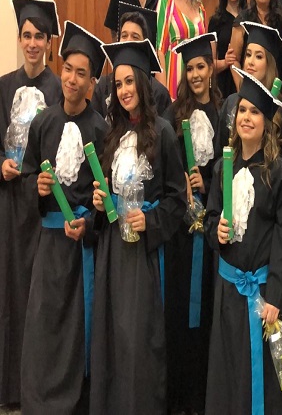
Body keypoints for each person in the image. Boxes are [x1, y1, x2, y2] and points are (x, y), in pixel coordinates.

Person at [90, 39, 186, 414]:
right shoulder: (111, 135)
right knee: (112, 334)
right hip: (113, 250)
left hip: (145, 256)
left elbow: (178, 200)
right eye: (118, 84)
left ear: (143, 85)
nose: (124, 90)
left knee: (139, 339)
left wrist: (150, 219)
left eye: (130, 82)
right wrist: (100, 206)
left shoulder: (162, 132)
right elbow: (104, 195)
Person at [20, 21, 108, 415]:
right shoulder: (42, 122)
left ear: (92, 82)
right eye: (68, 70)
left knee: (77, 329)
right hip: (49, 247)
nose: (72, 80)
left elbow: (106, 199)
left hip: (81, 248)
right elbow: (24, 178)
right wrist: (36, 189)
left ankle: (76, 402)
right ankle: (41, 402)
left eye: (82, 74)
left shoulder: (102, 130)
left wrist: (89, 222)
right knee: (45, 325)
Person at [204, 68, 282, 414]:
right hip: (227, 289)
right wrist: (216, 231)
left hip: (260, 294)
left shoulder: (278, 173)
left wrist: (274, 293)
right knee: (228, 365)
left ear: (267, 122)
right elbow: (211, 217)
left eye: (254, 112)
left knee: (258, 373)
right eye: (242, 110)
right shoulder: (221, 168)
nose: (246, 117)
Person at [0, 0, 61, 408]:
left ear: (48, 41)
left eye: (40, 35)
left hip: (39, 205)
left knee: (38, 297)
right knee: (9, 292)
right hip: (8, 202)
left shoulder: (60, 88)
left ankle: (34, 386)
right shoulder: (3, 85)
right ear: (19, 38)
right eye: (27, 35)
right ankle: (7, 387)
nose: (33, 43)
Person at [161, 33, 222, 414]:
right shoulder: (173, 114)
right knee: (179, 307)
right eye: (191, 68)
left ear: (211, 70)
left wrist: (210, 180)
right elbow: (166, 168)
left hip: (212, 228)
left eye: (202, 66)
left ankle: (203, 394)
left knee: (207, 313)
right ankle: (178, 393)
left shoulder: (224, 111)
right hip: (182, 232)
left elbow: (235, 170)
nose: (196, 73)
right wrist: (183, 180)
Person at [216, 22, 282, 155]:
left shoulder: (280, 109)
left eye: (259, 56)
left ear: (269, 64)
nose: (250, 61)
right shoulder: (231, 102)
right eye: (248, 55)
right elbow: (219, 152)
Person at [92, 5, 172, 117]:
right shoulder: (103, 86)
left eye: (135, 37)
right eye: (124, 36)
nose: (128, 41)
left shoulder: (159, 92)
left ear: (145, 44)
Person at [156, 0, 207, 100]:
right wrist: (164, 94)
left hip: (197, 85)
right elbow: (160, 49)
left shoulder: (200, 7)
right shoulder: (166, 0)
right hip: (173, 85)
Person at [227, 0, 282, 86]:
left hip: (274, 88)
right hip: (249, 87)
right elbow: (233, 60)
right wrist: (243, 88)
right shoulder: (242, 20)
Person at [209, 0, 248, 98]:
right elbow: (209, 64)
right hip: (222, 90)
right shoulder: (215, 21)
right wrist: (225, 62)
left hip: (246, 86)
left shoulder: (250, 18)